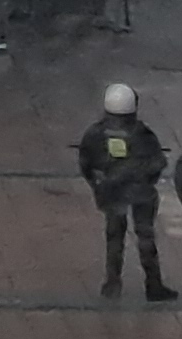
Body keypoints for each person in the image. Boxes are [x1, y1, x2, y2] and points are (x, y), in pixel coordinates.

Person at [74, 83, 175, 300]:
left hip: (112, 193)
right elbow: (157, 162)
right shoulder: (141, 133)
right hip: (140, 193)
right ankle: (153, 284)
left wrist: (98, 184)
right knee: (145, 236)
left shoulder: (96, 132)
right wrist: (145, 180)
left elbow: (86, 162)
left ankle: (112, 283)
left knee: (114, 237)